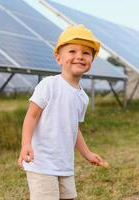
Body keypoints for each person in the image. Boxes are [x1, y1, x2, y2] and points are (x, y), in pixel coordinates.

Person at [18, 24, 107, 200]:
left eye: (86, 53)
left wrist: (87, 154)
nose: (79, 57)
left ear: (91, 60)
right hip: (42, 162)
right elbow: (31, 115)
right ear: (59, 58)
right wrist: (25, 144)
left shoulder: (83, 97)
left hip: (64, 164)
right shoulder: (49, 85)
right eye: (72, 51)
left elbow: (74, 129)